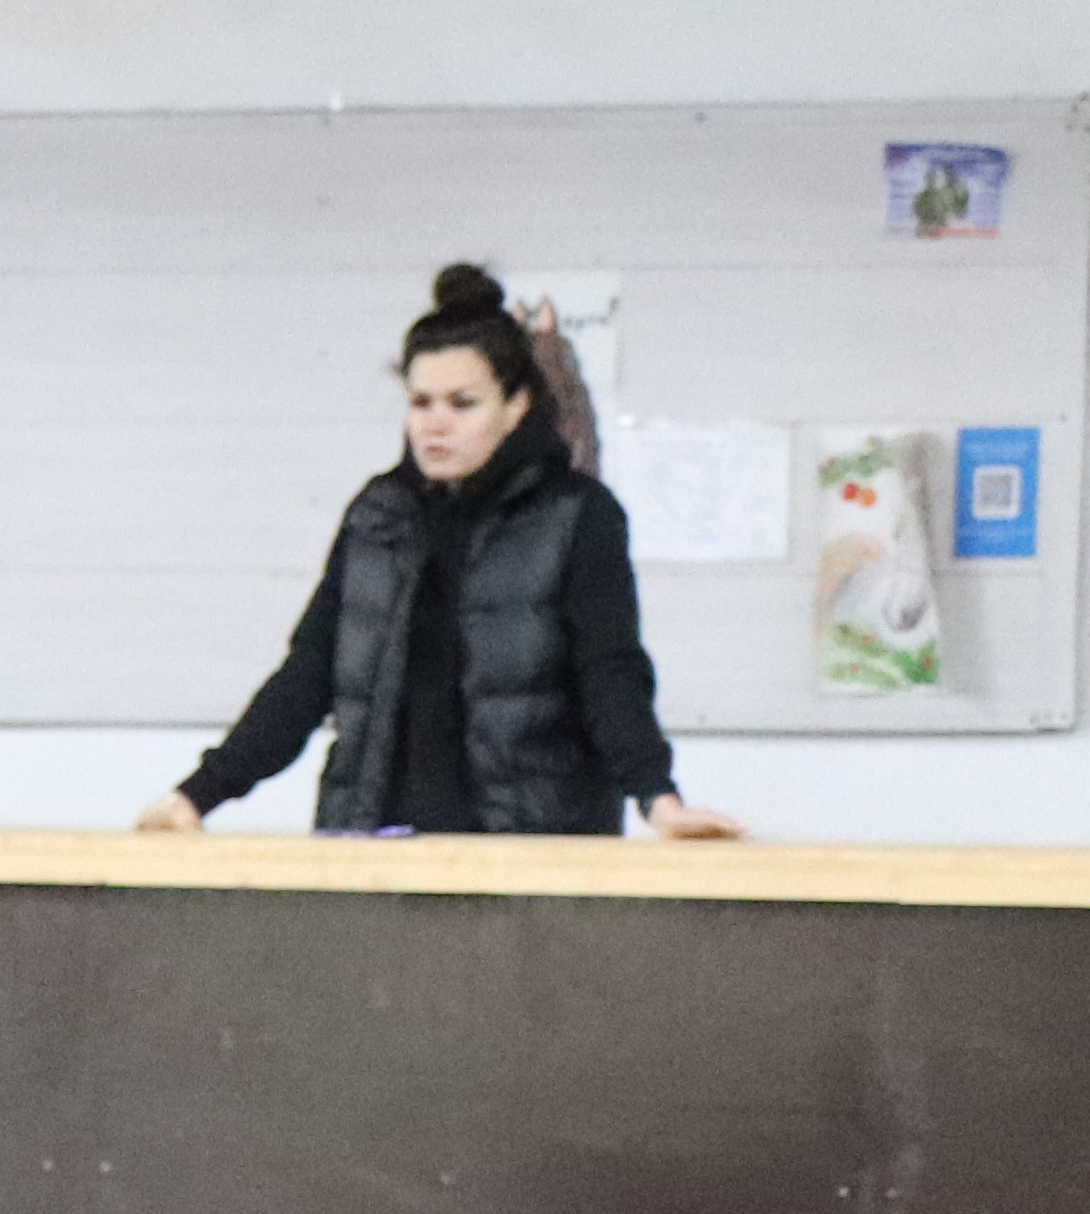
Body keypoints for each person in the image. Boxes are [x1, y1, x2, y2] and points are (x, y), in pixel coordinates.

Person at [137, 264, 742, 844]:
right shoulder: (378, 514)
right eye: (420, 403)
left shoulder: (577, 516)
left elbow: (609, 671)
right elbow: (310, 673)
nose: (435, 425)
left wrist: (659, 801)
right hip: (373, 837)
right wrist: (198, 794)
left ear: (516, 405)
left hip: (530, 850)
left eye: (462, 403)